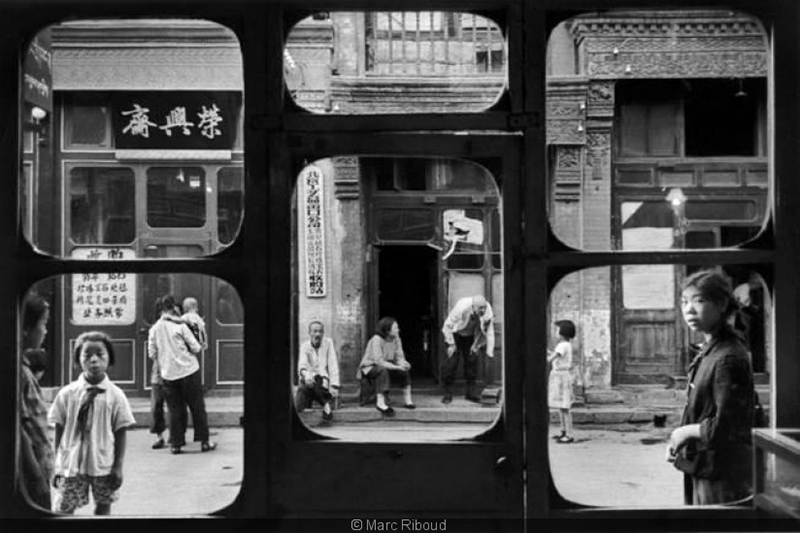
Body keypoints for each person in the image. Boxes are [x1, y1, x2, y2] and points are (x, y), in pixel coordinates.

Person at [666, 269, 756, 505]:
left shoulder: (727, 357)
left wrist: (684, 433)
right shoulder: (711, 350)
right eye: (684, 302)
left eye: (699, 300)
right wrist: (680, 442)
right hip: (706, 463)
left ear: (722, 303)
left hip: (722, 473)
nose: (688, 309)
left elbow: (729, 426)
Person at [48, 331, 136, 515]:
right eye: (87, 355)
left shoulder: (116, 395)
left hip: (103, 462)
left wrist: (118, 466)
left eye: (100, 354)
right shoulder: (67, 394)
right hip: (72, 463)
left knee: (103, 505)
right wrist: (58, 464)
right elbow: (59, 428)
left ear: (109, 358)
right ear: (78, 359)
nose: (94, 360)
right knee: (64, 507)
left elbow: (121, 431)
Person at [148, 294, 217, 454]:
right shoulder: (180, 326)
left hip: (168, 375)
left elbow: (152, 353)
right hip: (189, 371)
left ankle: (176, 444)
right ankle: (204, 442)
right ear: (173, 308)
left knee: (175, 410)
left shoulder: (154, 329)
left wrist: (166, 357)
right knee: (197, 407)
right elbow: (196, 348)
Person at [19, 294, 54, 510]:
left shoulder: (23, 368)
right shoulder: (20, 373)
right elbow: (20, 429)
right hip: (31, 470)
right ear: (26, 329)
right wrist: (36, 475)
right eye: (43, 324)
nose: (45, 331)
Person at [148, 297, 188, 450]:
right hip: (161, 372)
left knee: (173, 405)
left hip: (173, 371)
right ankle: (161, 436)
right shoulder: (156, 329)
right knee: (159, 404)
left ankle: (176, 435)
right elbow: (152, 353)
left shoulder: (179, 326)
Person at [440, 294, 495, 403]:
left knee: (471, 363)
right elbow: (447, 325)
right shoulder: (462, 307)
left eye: (484, 307)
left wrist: (478, 346)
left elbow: (487, 331)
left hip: (471, 337)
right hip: (455, 335)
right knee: (451, 364)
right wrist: (451, 344)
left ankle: (470, 394)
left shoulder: (487, 310)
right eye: (480, 308)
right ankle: (447, 394)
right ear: (473, 307)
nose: (483, 310)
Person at [358, 317, 415, 416]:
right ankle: (380, 403)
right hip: (370, 367)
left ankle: (408, 400)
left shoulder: (396, 339)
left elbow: (399, 356)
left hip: (388, 365)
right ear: (387, 330)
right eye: (395, 328)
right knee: (382, 370)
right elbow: (379, 361)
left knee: (404, 370)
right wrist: (397, 367)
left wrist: (403, 363)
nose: (398, 330)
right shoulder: (377, 339)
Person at [296, 321, 340, 421]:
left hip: (322, 381)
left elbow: (333, 363)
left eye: (320, 332)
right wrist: (307, 375)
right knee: (298, 405)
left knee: (310, 382)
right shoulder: (304, 346)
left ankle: (323, 404)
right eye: (315, 331)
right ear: (309, 333)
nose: (318, 334)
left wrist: (334, 385)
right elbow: (302, 365)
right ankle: (325, 403)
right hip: (308, 380)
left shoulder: (328, 343)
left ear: (323, 333)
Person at [548, 320, 576, 444]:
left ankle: (568, 434)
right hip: (562, 375)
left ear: (562, 332)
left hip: (560, 377)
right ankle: (563, 431)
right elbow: (555, 355)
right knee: (562, 406)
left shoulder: (561, 346)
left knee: (564, 407)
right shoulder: (566, 345)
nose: (556, 331)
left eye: (558, 329)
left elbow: (551, 359)